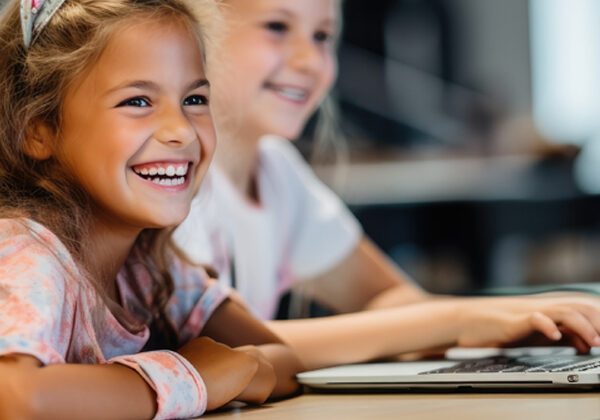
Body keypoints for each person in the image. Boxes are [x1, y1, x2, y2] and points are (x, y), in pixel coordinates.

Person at [175, 0, 600, 371]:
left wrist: (525, 313)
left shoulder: (275, 170)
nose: (309, 60)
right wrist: (460, 322)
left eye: (323, 36)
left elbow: (387, 298)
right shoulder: (174, 175)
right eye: (277, 27)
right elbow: (230, 346)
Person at [0, 0, 303, 419]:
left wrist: (230, 371)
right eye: (138, 101)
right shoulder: (26, 254)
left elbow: (278, 359)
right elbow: (16, 398)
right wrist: (191, 376)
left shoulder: (147, 269)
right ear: (39, 129)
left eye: (194, 98)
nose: (180, 130)